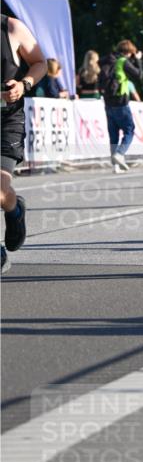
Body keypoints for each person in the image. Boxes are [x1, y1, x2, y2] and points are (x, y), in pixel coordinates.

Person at [1, 14, 47, 273]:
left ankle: (15, 210)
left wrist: (24, 84)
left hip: (7, 121)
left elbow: (40, 63)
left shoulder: (11, 28)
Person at [100, 39, 143, 172]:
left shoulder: (108, 60)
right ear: (129, 52)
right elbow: (139, 75)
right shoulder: (123, 61)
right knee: (129, 129)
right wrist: (138, 60)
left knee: (113, 134)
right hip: (121, 101)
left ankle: (115, 166)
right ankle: (120, 153)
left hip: (108, 101)